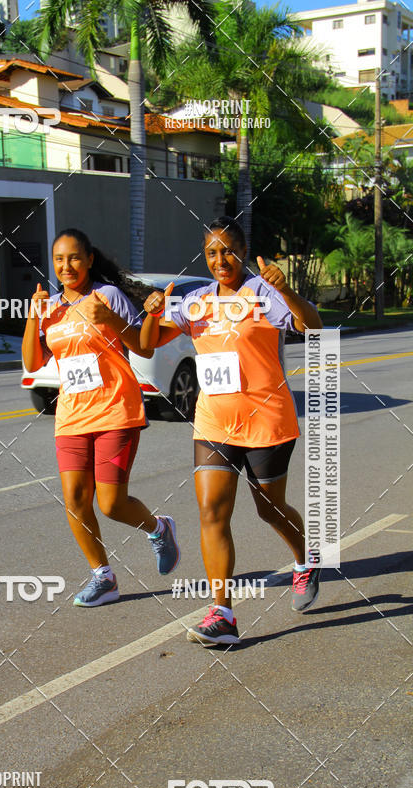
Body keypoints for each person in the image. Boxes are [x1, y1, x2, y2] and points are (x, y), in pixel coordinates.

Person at [140, 216, 323, 646]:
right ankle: (222, 614)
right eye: (211, 253)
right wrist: (151, 313)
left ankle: (305, 559)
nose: (220, 260)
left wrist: (287, 289)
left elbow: (313, 326)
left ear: (242, 251)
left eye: (228, 251)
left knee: (269, 508)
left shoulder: (263, 293)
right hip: (214, 422)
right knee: (212, 512)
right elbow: (147, 343)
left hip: (267, 421)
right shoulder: (198, 300)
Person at [22, 228, 180, 607]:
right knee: (76, 500)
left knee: (110, 503)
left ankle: (158, 529)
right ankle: (103, 577)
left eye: (74, 258)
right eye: (59, 260)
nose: (66, 266)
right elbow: (32, 362)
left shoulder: (106, 296)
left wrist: (109, 317)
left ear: (90, 259)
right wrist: (33, 317)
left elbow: (141, 344)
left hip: (115, 411)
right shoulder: (52, 308)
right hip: (72, 417)